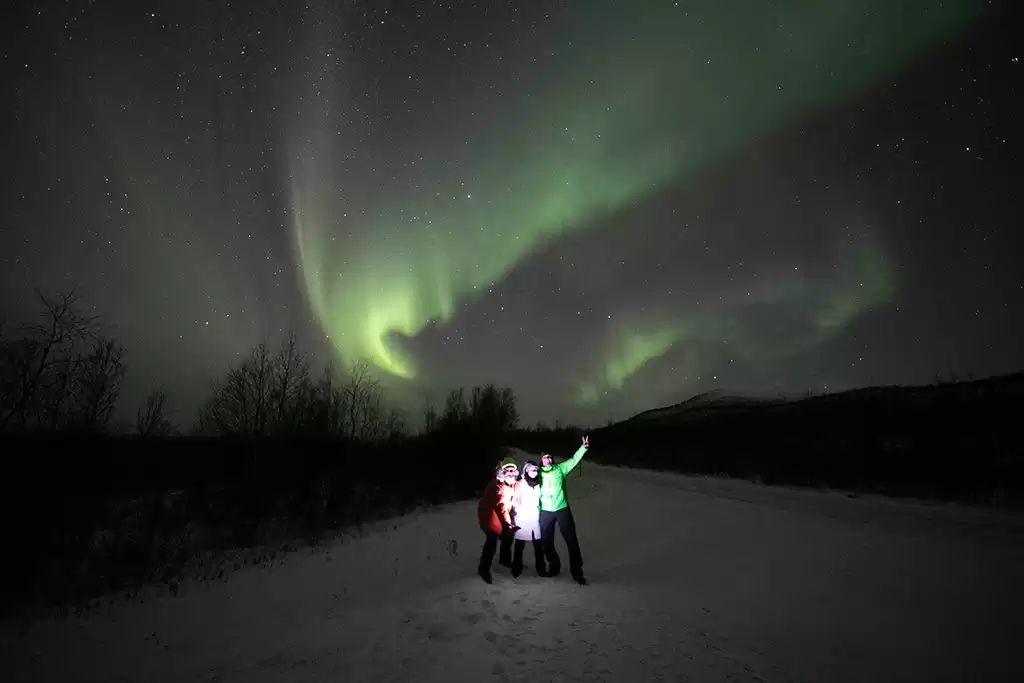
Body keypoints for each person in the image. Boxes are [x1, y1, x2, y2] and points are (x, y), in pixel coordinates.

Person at [539, 435, 589, 585]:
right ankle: (554, 565)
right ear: (541, 460)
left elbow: (574, 460)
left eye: (549, 457)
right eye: (545, 457)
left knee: (571, 540)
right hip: (545, 511)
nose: (547, 459)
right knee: (546, 542)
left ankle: (577, 572)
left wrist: (583, 448)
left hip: (562, 509)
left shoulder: (560, 469)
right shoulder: (538, 473)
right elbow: (525, 479)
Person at [476, 456, 518, 583]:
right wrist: (506, 523)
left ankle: (504, 562)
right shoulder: (497, 484)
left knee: (508, 538)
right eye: (507, 470)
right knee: (491, 542)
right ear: (503, 471)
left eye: (512, 470)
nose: (510, 473)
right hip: (490, 517)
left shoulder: (513, 483)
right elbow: (500, 506)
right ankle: (484, 569)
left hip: (502, 516)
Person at [510, 460, 545, 578]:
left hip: (535, 518)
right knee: (519, 545)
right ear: (526, 471)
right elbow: (515, 500)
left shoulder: (539, 483)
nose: (534, 472)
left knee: (538, 545)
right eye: (531, 470)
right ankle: (516, 568)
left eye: (536, 470)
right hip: (523, 518)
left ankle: (541, 569)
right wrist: (519, 510)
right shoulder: (520, 483)